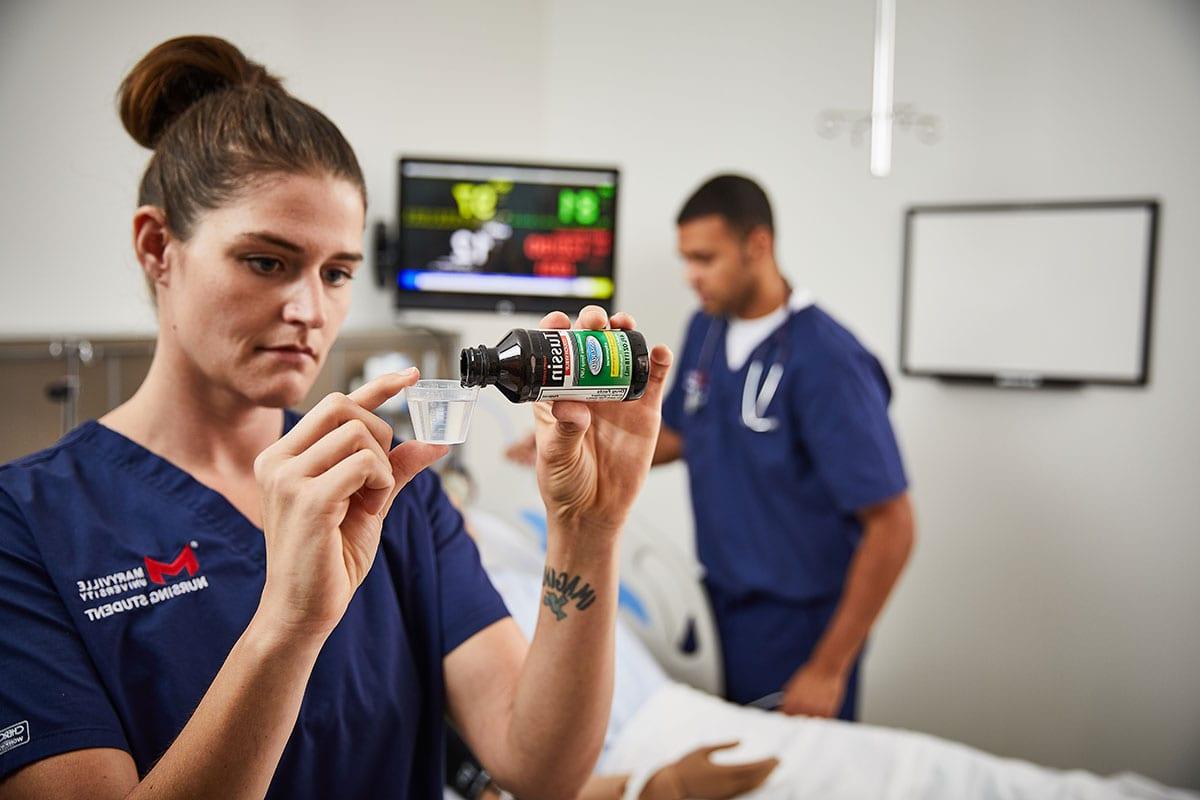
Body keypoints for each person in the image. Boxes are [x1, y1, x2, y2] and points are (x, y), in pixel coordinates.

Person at [0, 36, 671, 800]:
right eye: (266, 261)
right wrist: (286, 627)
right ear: (159, 247)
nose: (310, 311)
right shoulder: (27, 528)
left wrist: (588, 534)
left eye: (338, 272)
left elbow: (541, 767)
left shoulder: (394, 483)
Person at [508, 174, 914, 721]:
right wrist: (581, 445)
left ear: (758, 245)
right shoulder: (706, 330)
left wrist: (828, 669)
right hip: (720, 603)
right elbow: (683, 434)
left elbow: (893, 526)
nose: (691, 276)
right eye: (686, 259)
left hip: (800, 624)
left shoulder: (828, 360)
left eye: (704, 258)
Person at [449, 511, 1196, 800]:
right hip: (636, 752)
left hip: (677, 712)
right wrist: (655, 788)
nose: (454, 521)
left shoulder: (503, 568)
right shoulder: (425, 620)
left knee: (951, 781)